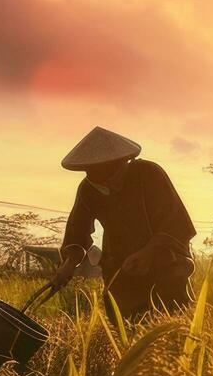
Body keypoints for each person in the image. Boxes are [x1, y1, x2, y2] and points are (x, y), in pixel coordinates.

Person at [51, 127, 197, 324]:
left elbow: (175, 223)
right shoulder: (88, 190)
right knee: (126, 322)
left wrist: (148, 252)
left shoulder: (148, 174)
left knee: (174, 321)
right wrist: (69, 263)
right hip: (121, 268)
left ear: (122, 164)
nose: (110, 185)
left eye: (112, 177)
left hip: (165, 263)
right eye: (101, 180)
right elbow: (77, 232)